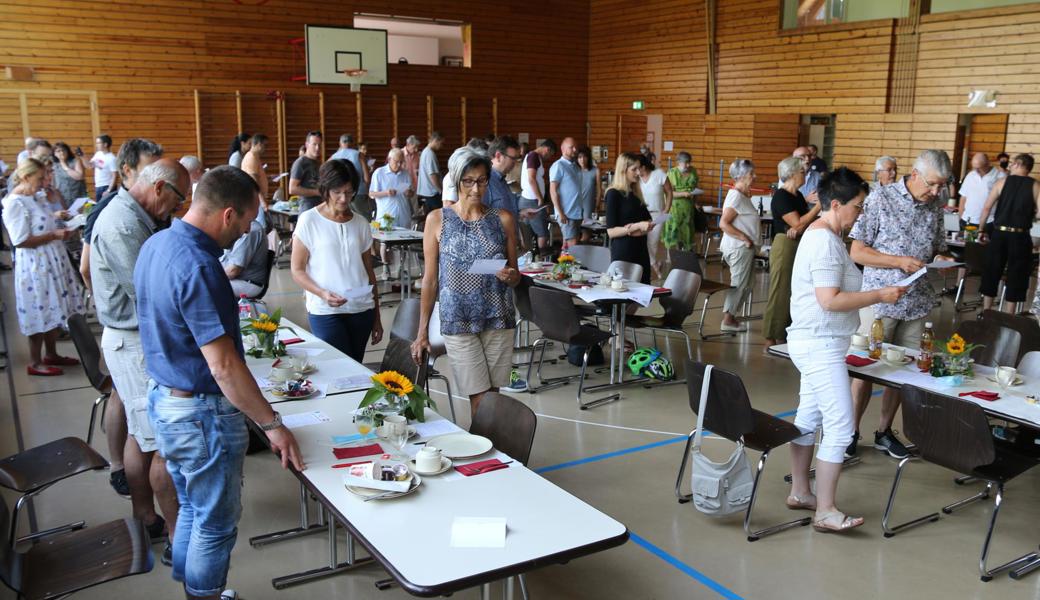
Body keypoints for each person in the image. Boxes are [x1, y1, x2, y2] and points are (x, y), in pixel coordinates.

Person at [135, 166, 304, 600]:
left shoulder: (157, 243)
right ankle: (204, 594)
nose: (247, 231)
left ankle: (193, 587)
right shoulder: (200, 266)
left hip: (167, 400)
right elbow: (224, 366)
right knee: (215, 523)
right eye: (247, 223)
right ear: (228, 215)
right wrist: (272, 424)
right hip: (200, 414)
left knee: (192, 503)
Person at [786, 167, 907, 534]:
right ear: (835, 205)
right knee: (839, 428)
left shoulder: (829, 235)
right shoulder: (823, 240)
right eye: (857, 206)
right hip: (819, 344)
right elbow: (829, 300)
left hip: (820, 343)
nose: (861, 213)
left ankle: (800, 492)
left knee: (809, 418)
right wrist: (880, 295)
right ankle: (825, 511)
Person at [91, 159, 188, 566]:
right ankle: (170, 534)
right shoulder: (122, 225)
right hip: (132, 340)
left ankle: (145, 514)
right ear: (161, 188)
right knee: (157, 441)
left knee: (141, 433)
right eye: (179, 200)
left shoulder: (133, 214)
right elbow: (147, 291)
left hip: (134, 336)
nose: (177, 210)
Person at [847, 149, 954, 459]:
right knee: (865, 368)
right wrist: (897, 261)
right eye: (932, 184)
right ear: (916, 173)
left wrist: (941, 259)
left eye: (941, 186)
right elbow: (857, 251)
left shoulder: (934, 205)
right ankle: (851, 431)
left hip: (917, 302)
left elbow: (938, 248)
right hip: (880, 300)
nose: (936, 192)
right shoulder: (881, 198)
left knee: (902, 372)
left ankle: (884, 431)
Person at [412, 146, 521, 416]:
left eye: (482, 180)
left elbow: (516, 275)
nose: (475, 188)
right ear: (456, 179)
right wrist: (422, 332)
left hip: (498, 317)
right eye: (468, 181)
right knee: (479, 397)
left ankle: (490, 450)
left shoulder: (503, 219)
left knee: (492, 397)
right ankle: (484, 450)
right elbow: (430, 280)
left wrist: (511, 276)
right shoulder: (437, 220)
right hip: (457, 320)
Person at [290, 160, 383, 362]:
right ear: (325, 189)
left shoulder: (360, 223)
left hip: (361, 309)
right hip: (324, 310)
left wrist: (377, 317)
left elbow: (369, 272)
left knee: (355, 366)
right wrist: (322, 293)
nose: (343, 198)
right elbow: (297, 270)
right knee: (339, 365)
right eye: (337, 192)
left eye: (349, 192)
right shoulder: (308, 220)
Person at [2, 158, 86, 376]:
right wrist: (53, 235)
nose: (44, 182)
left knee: (55, 305)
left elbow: (42, 220)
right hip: (35, 264)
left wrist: (58, 218)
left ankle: (51, 353)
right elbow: (20, 240)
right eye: (40, 178)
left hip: (52, 258)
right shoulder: (14, 202)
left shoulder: (36, 196)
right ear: (25, 176)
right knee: (39, 307)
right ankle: (36, 361)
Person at [81, 138, 164, 290]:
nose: (158, 178)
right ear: (127, 170)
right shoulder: (103, 209)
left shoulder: (158, 206)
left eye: (160, 171)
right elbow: (85, 269)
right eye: (150, 171)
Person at [763, 157, 820, 349]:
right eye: (802, 172)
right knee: (780, 290)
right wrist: (819, 207)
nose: (805, 174)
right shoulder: (782, 196)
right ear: (792, 174)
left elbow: (801, 224)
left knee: (793, 291)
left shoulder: (796, 196)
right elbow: (798, 223)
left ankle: (783, 332)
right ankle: (771, 335)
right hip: (784, 245)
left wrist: (800, 224)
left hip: (797, 243)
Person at [978, 153, 1040, 313]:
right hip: (1021, 235)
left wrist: (981, 229)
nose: (1010, 166)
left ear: (1019, 164)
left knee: (992, 270)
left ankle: (987, 311)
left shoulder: (1001, 182)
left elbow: (986, 207)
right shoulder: (1035, 186)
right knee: (1017, 274)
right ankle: (1009, 314)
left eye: (1012, 163)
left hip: (999, 234)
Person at [718, 159, 759, 332]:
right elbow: (724, 223)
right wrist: (744, 238)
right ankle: (727, 320)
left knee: (748, 283)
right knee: (739, 282)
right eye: (751, 174)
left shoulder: (741, 195)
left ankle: (731, 316)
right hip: (738, 247)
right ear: (741, 177)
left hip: (744, 247)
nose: (754, 176)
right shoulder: (735, 196)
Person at [605, 152, 652, 284]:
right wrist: (635, 227)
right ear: (623, 171)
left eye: (639, 168)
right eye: (634, 169)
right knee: (623, 291)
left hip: (640, 248)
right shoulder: (613, 194)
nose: (638, 172)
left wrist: (642, 227)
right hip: (624, 251)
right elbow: (611, 232)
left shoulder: (635, 193)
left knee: (641, 291)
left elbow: (647, 220)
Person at [518, 139, 558, 257]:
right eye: (550, 154)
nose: (548, 157)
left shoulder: (533, 157)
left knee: (528, 233)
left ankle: (533, 256)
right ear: (547, 149)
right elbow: (531, 178)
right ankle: (542, 257)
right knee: (542, 232)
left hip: (528, 199)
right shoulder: (533, 157)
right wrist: (540, 197)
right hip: (532, 200)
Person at [221, 213, 269, 299]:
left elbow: (233, 271)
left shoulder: (250, 231)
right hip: (238, 279)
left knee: (205, 287)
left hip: (247, 283)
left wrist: (212, 277)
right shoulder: (240, 226)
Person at [638, 154, 671, 278]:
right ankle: (654, 265)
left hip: (658, 214)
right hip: (641, 214)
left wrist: (667, 209)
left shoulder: (659, 174)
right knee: (642, 242)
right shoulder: (636, 178)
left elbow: (669, 191)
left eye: (638, 168)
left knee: (652, 242)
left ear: (644, 166)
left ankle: (653, 266)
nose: (636, 171)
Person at [549, 137, 583, 248]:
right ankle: (571, 265)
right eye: (571, 147)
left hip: (576, 213)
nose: (574, 150)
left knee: (568, 245)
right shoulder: (558, 165)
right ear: (562, 148)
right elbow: (553, 190)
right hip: (567, 214)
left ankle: (564, 265)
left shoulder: (575, 167)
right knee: (573, 246)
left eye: (576, 147)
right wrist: (560, 212)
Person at [662, 151, 699, 251]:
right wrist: (683, 194)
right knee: (674, 233)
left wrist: (696, 203)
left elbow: (696, 188)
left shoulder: (693, 171)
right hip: (674, 209)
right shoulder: (672, 173)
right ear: (678, 162)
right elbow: (668, 193)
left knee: (687, 234)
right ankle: (672, 257)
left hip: (688, 210)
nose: (688, 165)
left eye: (689, 162)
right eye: (685, 162)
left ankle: (685, 256)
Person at [958, 152, 1004, 231]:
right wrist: (961, 218)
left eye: (979, 168)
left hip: (989, 222)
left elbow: (1004, 201)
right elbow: (963, 198)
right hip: (966, 221)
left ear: (987, 164)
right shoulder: (970, 175)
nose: (976, 170)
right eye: (974, 167)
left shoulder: (1000, 176)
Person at [370, 147, 414, 229]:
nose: (399, 165)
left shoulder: (406, 174)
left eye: (401, 162)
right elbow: (371, 194)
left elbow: (411, 193)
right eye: (397, 162)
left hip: (404, 216)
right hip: (386, 216)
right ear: (389, 159)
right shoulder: (379, 173)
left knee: (404, 240)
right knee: (386, 240)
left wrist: (409, 193)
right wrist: (386, 193)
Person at [289, 131, 322, 212]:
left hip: (319, 206)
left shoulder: (317, 163)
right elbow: (292, 189)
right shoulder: (300, 163)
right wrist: (316, 192)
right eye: (314, 144)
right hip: (307, 208)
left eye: (319, 145)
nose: (317, 148)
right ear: (307, 145)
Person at [416, 132, 444, 214]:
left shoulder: (425, 152)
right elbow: (433, 175)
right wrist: (440, 190)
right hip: (432, 193)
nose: (441, 146)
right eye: (441, 143)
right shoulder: (430, 154)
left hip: (427, 192)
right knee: (436, 218)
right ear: (436, 140)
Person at [577, 146, 600, 237]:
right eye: (579, 157)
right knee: (573, 232)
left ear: (588, 158)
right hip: (575, 204)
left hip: (589, 204)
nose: (582, 160)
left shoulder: (595, 170)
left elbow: (599, 190)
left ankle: (584, 249)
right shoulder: (574, 170)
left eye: (584, 157)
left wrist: (597, 206)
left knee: (586, 231)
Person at [88, 134, 117, 201]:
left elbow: (114, 176)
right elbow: (89, 166)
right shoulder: (98, 154)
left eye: (98, 143)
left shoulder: (111, 158)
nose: (96, 145)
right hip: (98, 186)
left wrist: (109, 190)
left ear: (105, 144)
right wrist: (82, 156)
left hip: (106, 186)